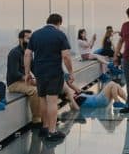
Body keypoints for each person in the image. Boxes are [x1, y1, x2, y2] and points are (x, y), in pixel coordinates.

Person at [24, 13, 76, 141]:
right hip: (54, 72)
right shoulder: (60, 34)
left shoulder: (35, 34)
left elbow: (27, 54)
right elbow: (66, 56)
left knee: (43, 99)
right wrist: (71, 72)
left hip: (39, 73)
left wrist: (27, 73)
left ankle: (45, 128)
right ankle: (52, 132)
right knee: (52, 101)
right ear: (59, 23)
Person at [6, 29, 42, 124]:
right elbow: (13, 73)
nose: (30, 41)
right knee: (34, 91)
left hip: (24, 81)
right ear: (21, 39)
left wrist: (41, 78)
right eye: (28, 38)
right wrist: (28, 78)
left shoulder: (28, 53)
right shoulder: (14, 53)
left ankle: (47, 115)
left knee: (45, 86)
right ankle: (37, 120)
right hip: (14, 83)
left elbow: (34, 68)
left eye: (31, 39)